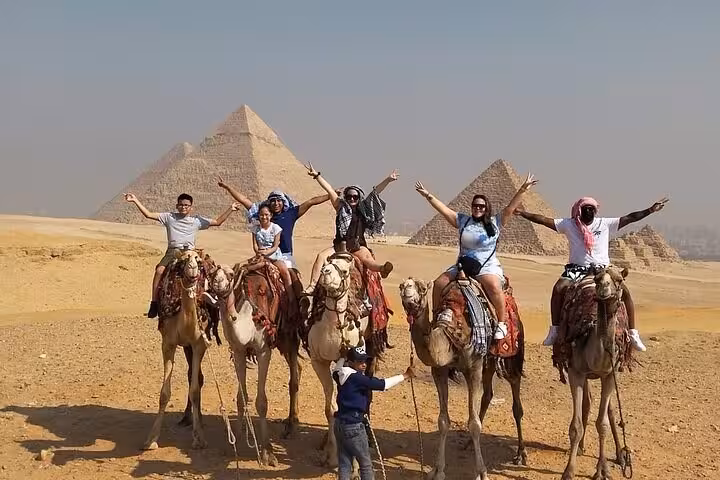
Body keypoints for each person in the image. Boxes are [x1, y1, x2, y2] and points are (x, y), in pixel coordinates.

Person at [514, 195, 670, 351]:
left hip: (603, 269)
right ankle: (555, 329)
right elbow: (542, 219)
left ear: (596, 211)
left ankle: (633, 332)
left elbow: (630, 217)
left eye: (591, 209)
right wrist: (523, 213)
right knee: (558, 289)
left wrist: (650, 210)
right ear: (579, 210)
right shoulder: (568, 224)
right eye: (585, 208)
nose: (588, 211)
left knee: (626, 293)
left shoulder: (605, 224)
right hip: (577, 269)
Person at [414, 173, 537, 340]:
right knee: (439, 283)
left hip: (486, 266)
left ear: (486, 208)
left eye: (481, 206)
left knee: (493, 286)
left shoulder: (496, 222)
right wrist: (427, 195)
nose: (478, 208)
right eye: (475, 206)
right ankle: (436, 317)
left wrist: (523, 189)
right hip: (463, 265)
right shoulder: (463, 221)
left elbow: (510, 208)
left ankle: (501, 323)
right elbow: (443, 209)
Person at [124, 192, 240, 318]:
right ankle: (154, 303)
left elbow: (218, 222)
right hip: (173, 252)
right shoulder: (169, 217)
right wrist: (135, 200)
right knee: (159, 271)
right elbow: (148, 215)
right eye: (181, 205)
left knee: (210, 271)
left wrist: (231, 209)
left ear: (191, 207)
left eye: (186, 205)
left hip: (191, 252)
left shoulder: (196, 221)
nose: (183, 207)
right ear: (176, 205)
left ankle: (215, 301)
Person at [303, 164, 397, 294]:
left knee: (368, 261)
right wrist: (317, 176)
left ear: (359, 198)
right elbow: (330, 190)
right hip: (339, 246)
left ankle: (383, 269)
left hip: (357, 246)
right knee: (320, 256)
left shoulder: (364, 210)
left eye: (355, 197)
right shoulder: (340, 207)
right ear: (345, 197)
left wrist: (388, 179)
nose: (352, 199)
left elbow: (376, 192)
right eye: (349, 196)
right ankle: (312, 286)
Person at [332, 345, 416, 480]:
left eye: (365, 361)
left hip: (339, 424)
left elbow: (335, 371)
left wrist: (342, 357)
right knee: (365, 464)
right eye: (360, 362)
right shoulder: (357, 378)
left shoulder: (341, 374)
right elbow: (383, 384)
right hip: (354, 426)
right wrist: (405, 375)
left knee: (344, 463)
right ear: (352, 362)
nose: (364, 365)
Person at [217, 177, 333, 270]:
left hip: (285, 256)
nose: (276, 203)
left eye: (279, 200)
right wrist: (227, 187)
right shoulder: (264, 215)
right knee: (240, 271)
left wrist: (331, 195)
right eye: (273, 201)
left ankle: (298, 299)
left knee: (292, 280)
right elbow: (243, 200)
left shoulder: (291, 214)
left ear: (283, 202)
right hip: (264, 255)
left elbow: (311, 202)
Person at [252, 204, 297, 307]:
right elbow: (254, 244)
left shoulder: (276, 228)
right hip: (260, 256)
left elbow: (276, 246)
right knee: (244, 271)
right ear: (258, 215)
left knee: (285, 272)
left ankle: (291, 299)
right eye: (261, 215)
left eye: (266, 214)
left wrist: (266, 253)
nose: (264, 217)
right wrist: (258, 252)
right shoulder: (255, 229)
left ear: (271, 215)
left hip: (274, 256)